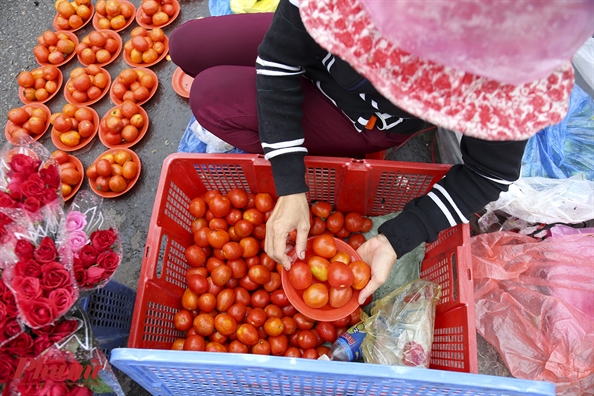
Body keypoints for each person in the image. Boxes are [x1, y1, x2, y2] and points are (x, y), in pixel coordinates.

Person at [170, 0, 593, 304]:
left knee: (209, 97)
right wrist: (289, 182)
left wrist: (396, 238)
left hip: (359, 117)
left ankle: (355, 139)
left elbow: (489, 173)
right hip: (323, 52)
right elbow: (279, 59)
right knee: (186, 45)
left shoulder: (510, 57)